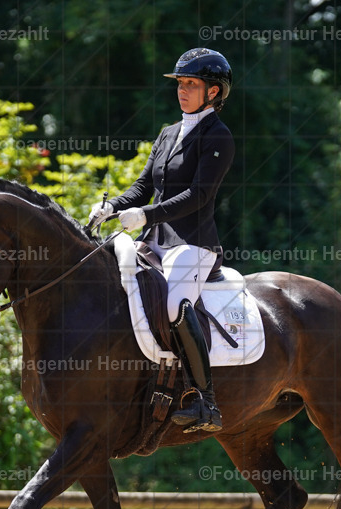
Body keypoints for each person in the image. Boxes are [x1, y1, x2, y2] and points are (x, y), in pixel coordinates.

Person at [89, 48, 234, 433]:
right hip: (155, 240)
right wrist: (112, 207)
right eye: (180, 84)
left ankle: (206, 402)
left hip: (194, 243)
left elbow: (199, 195)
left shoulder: (218, 136)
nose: (182, 91)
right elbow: (142, 187)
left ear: (214, 92)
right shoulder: (169, 133)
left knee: (173, 304)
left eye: (191, 84)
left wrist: (147, 215)